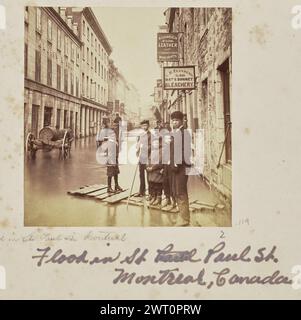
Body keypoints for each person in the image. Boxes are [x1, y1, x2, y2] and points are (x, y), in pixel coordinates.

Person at [169, 111, 192, 226]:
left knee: (181, 192)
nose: (174, 122)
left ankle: (185, 219)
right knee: (176, 191)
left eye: (176, 120)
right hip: (175, 167)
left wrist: (177, 163)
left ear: (182, 121)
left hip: (182, 167)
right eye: (173, 120)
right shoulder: (176, 133)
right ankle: (182, 215)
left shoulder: (185, 133)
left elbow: (186, 152)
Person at [98, 120, 123, 193]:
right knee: (110, 173)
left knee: (116, 171)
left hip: (115, 158)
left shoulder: (115, 140)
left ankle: (116, 185)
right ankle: (109, 187)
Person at [136, 119, 151, 197]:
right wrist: (138, 150)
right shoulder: (140, 135)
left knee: (149, 175)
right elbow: (137, 145)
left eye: (146, 125)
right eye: (143, 125)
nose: (144, 127)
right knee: (141, 175)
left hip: (148, 158)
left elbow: (152, 146)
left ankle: (150, 193)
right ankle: (141, 191)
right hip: (141, 158)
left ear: (148, 126)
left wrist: (145, 147)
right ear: (141, 126)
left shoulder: (150, 135)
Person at [146, 139, 164, 207]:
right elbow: (148, 160)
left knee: (158, 185)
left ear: (158, 144)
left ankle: (158, 198)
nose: (155, 144)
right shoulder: (152, 151)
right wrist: (147, 166)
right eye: (154, 143)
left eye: (157, 143)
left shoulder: (161, 151)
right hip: (151, 172)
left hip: (157, 171)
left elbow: (160, 162)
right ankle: (154, 197)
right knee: (152, 185)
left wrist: (152, 168)